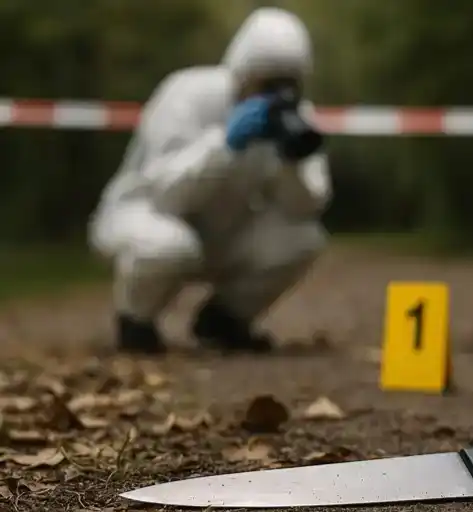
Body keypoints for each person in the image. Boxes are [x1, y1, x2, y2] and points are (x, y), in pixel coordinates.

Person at [88, 7, 331, 354]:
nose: (275, 96)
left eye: (287, 85)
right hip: (143, 215)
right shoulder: (186, 93)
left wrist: (290, 162)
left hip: (219, 231)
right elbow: (166, 194)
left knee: (304, 239)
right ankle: (135, 323)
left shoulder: (296, 120)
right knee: (169, 246)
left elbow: (305, 209)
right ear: (241, 72)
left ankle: (224, 322)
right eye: (266, 82)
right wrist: (224, 145)